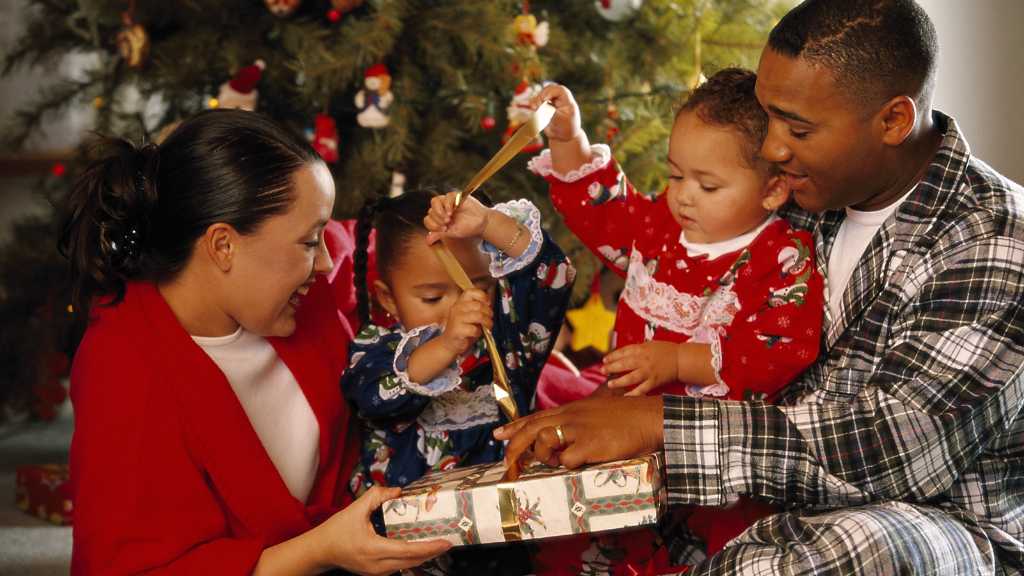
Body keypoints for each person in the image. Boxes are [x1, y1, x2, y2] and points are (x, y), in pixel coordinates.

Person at [497, 0, 1024, 574]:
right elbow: (639, 233)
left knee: (860, 544)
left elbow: (896, 450)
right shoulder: (795, 191)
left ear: (893, 121)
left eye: (797, 128)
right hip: (750, 496)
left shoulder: (995, 238)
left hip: (927, 520)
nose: (771, 148)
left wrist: (657, 423)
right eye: (767, 117)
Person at [62, 109, 450, 575]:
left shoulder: (299, 294)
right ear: (223, 246)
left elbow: (388, 259)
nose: (327, 262)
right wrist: (321, 550)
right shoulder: (124, 370)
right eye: (309, 242)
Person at [525, 69, 825, 573]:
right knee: (584, 538)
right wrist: (569, 139)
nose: (683, 195)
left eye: (707, 185)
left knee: (693, 553)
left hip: (703, 454)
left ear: (773, 190)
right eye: (675, 175)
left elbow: (781, 350)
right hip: (618, 427)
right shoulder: (662, 226)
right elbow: (606, 212)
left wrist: (680, 361)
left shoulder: (781, 258)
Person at [343, 188, 572, 498]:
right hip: (407, 529)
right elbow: (372, 396)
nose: (459, 308)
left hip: (509, 518)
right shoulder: (378, 348)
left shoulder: (508, 340)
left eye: (477, 287)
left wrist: (489, 223)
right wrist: (447, 345)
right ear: (389, 298)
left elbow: (552, 277)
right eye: (432, 297)